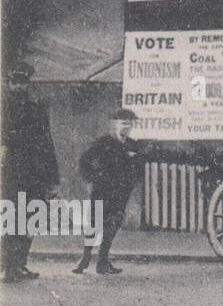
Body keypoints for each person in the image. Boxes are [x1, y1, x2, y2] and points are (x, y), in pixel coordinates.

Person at [1, 62, 59, 283]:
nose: (18, 86)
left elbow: (47, 143)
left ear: (27, 83)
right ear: (8, 83)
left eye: (22, 82)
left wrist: (53, 178)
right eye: (14, 82)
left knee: (32, 220)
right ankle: (7, 266)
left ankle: (20, 264)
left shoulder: (36, 110)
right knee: (10, 219)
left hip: (35, 174)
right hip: (10, 175)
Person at [73, 109, 146, 275]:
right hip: (102, 189)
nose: (126, 127)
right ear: (114, 125)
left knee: (112, 226)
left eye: (129, 123)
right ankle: (84, 259)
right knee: (94, 224)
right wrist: (92, 177)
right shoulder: (103, 142)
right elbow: (84, 160)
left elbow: (140, 166)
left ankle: (102, 262)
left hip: (121, 192)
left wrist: (132, 180)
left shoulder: (133, 144)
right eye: (123, 123)